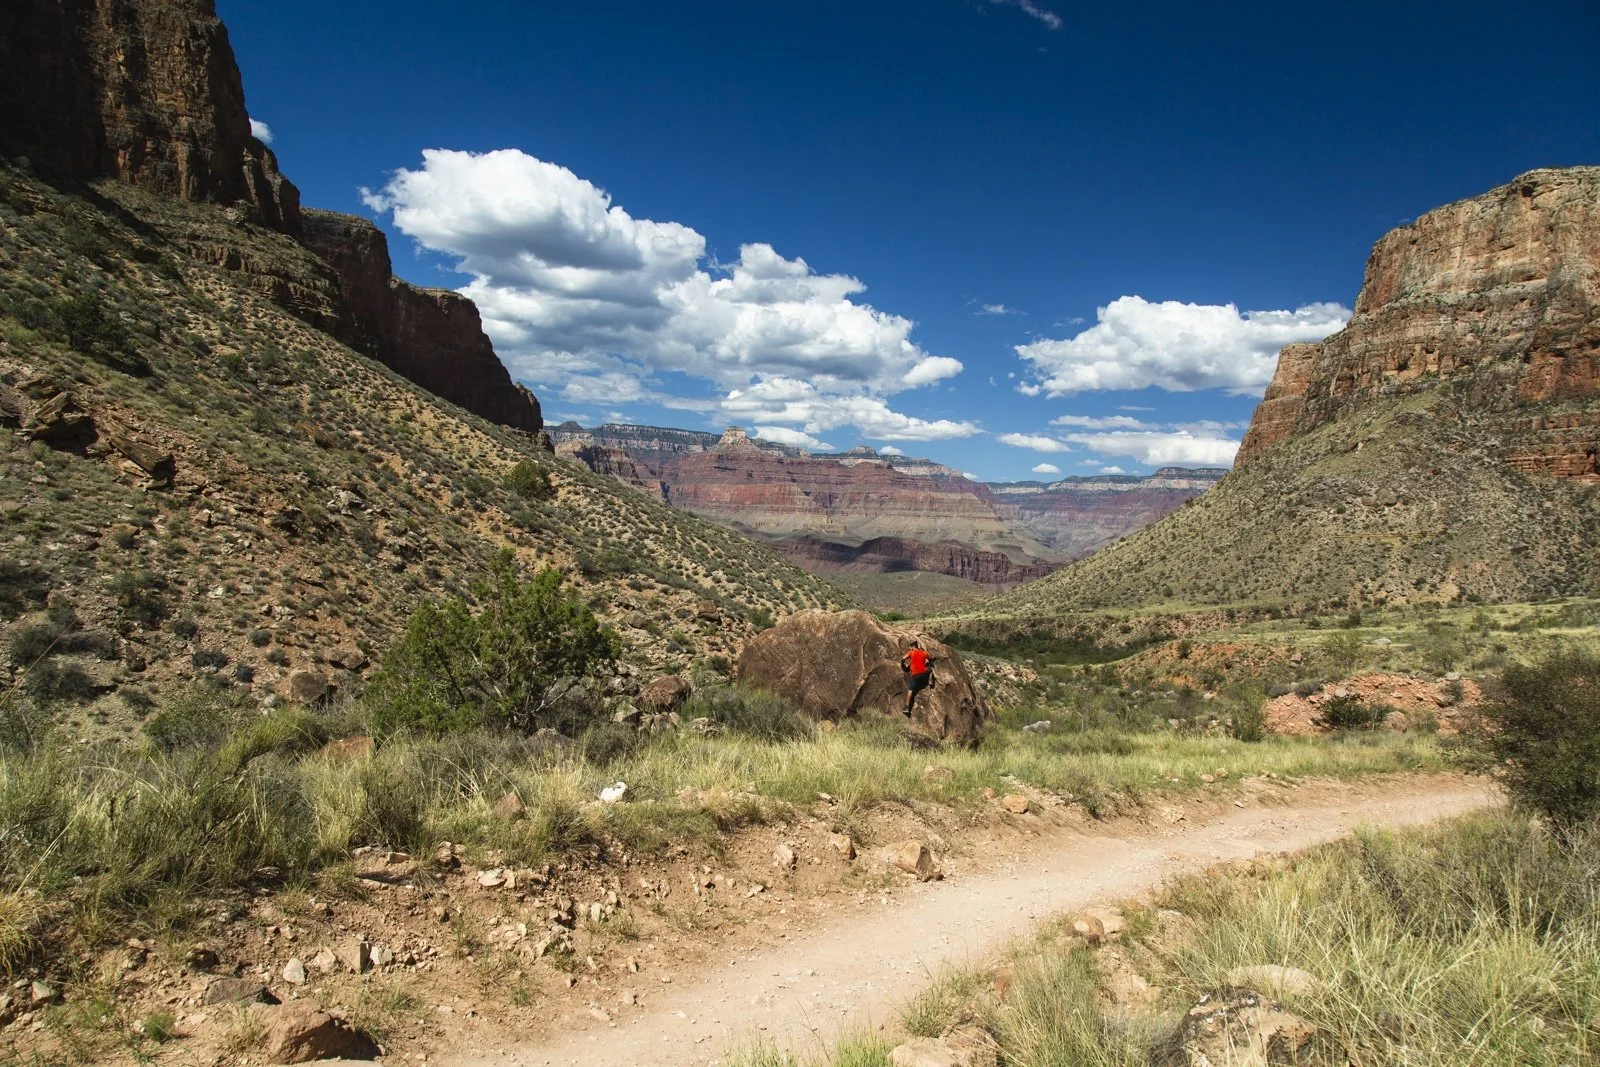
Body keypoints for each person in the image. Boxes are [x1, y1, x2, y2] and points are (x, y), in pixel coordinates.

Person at [900, 640, 934, 716]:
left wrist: (903, 666)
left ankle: (907, 707)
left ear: (913, 647)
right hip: (924, 673)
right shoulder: (924, 652)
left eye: (910, 648)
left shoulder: (911, 652)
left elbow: (903, 658)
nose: (910, 649)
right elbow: (930, 658)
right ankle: (931, 680)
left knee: (910, 691)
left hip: (915, 675)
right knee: (931, 668)